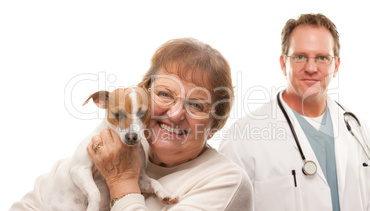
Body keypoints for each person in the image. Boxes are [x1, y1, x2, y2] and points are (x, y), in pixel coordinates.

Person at [11, 38, 254, 210]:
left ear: (215, 124)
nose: (175, 113)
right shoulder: (99, 151)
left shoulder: (226, 182)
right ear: (143, 94)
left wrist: (122, 181)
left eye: (197, 105)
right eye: (165, 94)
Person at [219, 13, 370, 211]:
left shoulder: (355, 126)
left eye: (322, 58)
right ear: (284, 64)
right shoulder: (243, 137)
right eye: (300, 57)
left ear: (336, 65)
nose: (311, 68)